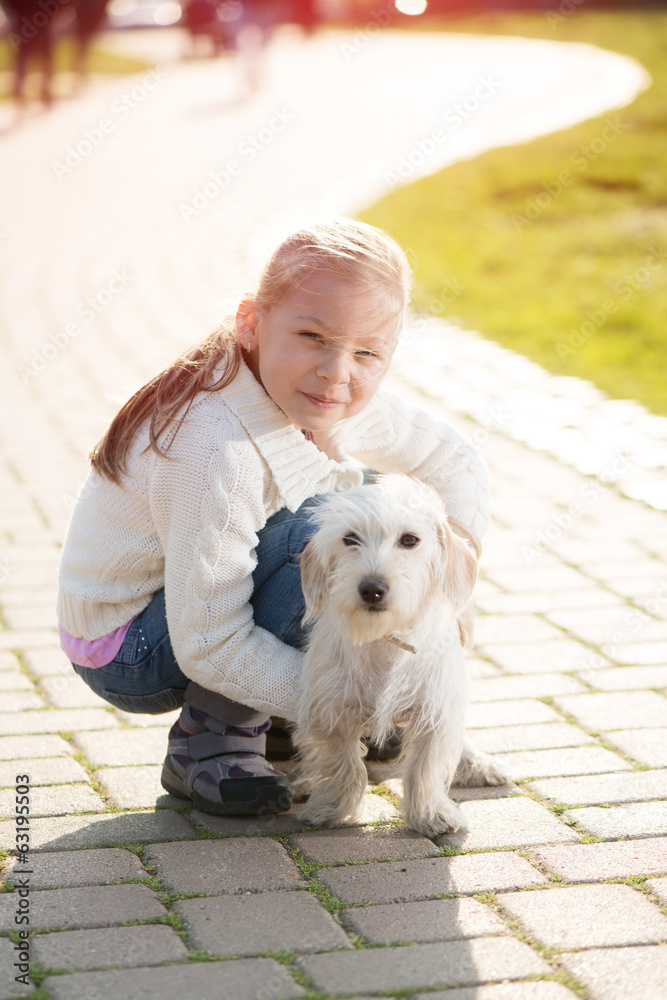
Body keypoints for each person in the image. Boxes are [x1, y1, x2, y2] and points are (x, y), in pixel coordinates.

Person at [57, 218, 490, 818]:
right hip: (127, 645)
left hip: (187, 610)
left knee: (364, 516)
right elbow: (209, 642)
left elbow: (457, 459)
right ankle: (210, 743)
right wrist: (352, 702)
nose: (338, 371)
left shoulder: (325, 396)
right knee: (313, 537)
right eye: (313, 335)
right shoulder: (212, 446)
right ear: (251, 323)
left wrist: (451, 577)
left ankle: (284, 723)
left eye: (367, 352)